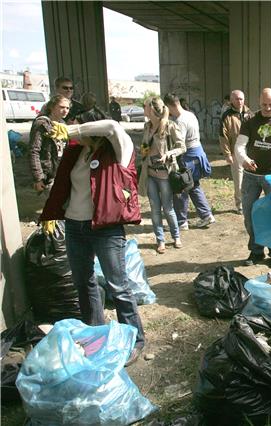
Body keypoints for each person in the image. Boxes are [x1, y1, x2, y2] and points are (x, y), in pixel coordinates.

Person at [39, 119, 146, 366]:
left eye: (84, 127)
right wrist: (54, 211)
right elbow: (67, 184)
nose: (77, 132)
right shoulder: (77, 151)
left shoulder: (118, 148)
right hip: (74, 226)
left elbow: (112, 126)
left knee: (118, 286)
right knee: (83, 282)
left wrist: (72, 130)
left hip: (105, 229)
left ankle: (135, 340)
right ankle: (94, 333)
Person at [234, 87, 271, 267]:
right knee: (250, 215)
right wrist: (244, 159)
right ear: (259, 102)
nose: (267, 108)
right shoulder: (250, 121)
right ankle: (256, 251)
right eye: (264, 104)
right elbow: (240, 146)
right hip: (251, 177)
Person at [138, 96, 186, 254]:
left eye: (145, 106)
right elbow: (145, 145)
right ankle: (160, 240)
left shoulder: (170, 126)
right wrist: (143, 151)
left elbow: (182, 147)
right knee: (154, 209)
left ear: (152, 109)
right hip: (150, 173)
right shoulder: (147, 126)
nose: (143, 109)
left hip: (165, 174)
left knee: (168, 208)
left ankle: (176, 236)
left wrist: (169, 155)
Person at [164, 93, 215, 229]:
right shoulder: (190, 114)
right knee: (193, 185)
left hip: (188, 157)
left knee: (180, 187)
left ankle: (181, 222)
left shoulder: (180, 121)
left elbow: (180, 145)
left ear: (169, 106)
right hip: (198, 154)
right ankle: (206, 215)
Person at [219, 90, 254, 214]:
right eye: (237, 99)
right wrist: (227, 154)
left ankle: (250, 202)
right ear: (231, 100)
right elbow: (223, 137)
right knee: (238, 180)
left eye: (241, 99)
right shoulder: (226, 116)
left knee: (250, 179)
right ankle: (240, 205)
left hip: (249, 152)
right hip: (235, 152)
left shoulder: (250, 114)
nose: (239, 101)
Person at [29, 94, 70, 194]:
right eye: (61, 107)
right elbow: (34, 151)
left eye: (67, 108)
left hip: (62, 171)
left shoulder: (63, 124)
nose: (65, 110)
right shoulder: (42, 123)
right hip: (48, 174)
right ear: (52, 107)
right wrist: (38, 178)